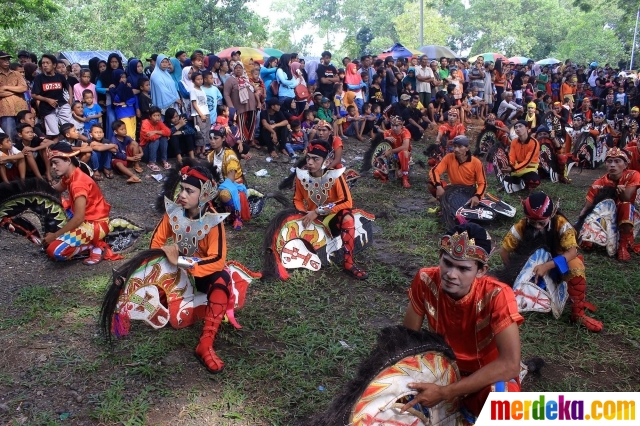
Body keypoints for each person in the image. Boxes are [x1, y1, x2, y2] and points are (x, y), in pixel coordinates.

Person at [402, 223, 523, 419]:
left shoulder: (497, 294)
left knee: (504, 400)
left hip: (483, 379)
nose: (451, 274)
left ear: (481, 271)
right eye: (447, 263)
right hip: (440, 372)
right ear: (440, 257)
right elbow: (406, 341)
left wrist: (444, 393)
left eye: (463, 268)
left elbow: (510, 365)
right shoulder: (425, 280)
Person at [150, 164, 232, 373]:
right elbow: (155, 245)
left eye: (189, 190)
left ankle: (205, 343)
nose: (182, 194)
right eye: (182, 188)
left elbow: (217, 260)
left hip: (199, 272)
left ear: (203, 194)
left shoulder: (213, 221)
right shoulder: (173, 213)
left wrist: (182, 262)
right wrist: (170, 258)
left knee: (222, 279)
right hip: (174, 270)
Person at [500, 192, 602, 332]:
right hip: (530, 264)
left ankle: (577, 313)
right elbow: (504, 251)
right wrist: (513, 273)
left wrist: (547, 265)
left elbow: (572, 252)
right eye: (532, 222)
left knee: (576, 266)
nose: (537, 226)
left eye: (541, 222)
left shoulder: (561, 224)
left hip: (557, 263)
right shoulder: (522, 225)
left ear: (552, 213)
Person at [293, 139, 367, 279]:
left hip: (331, 217)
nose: (309, 162)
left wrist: (317, 211)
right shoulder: (301, 176)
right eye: (308, 158)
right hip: (311, 218)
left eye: (315, 159)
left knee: (347, 217)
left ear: (326, 161)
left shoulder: (335, 176)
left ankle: (349, 263)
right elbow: (297, 199)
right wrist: (303, 213)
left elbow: (346, 201)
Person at [43, 142, 120, 265]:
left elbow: (79, 218)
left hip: (94, 224)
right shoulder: (69, 175)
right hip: (83, 218)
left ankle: (93, 247)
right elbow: (55, 189)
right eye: (52, 163)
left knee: (55, 251)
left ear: (68, 160)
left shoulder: (78, 183)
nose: (53, 167)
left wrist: (55, 236)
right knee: (57, 204)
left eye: (56, 163)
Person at [577, 147, 640, 261]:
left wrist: (620, 191)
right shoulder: (598, 184)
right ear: (605, 164)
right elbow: (587, 208)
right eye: (609, 161)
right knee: (586, 242)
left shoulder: (633, 175)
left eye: (617, 161)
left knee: (626, 205)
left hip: (627, 217)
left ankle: (623, 246)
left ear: (626, 164)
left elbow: (627, 198)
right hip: (606, 219)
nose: (612, 165)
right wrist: (579, 225)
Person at [207, 125, 249, 230]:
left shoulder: (230, 155)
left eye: (216, 138)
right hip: (217, 184)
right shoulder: (210, 156)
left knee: (224, 194)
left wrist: (215, 192)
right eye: (210, 138)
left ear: (224, 138)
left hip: (233, 185)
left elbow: (230, 180)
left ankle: (236, 217)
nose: (212, 141)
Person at [428, 135, 486, 207]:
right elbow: (434, 171)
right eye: (454, 146)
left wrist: (477, 196)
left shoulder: (476, 162)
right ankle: (443, 203)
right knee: (431, 184)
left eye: (460, 147)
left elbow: (482, 183)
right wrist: (438, 186)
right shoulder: (449, 157)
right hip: (453, 187)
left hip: (469, 190)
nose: (456, 149)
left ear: (467, 148)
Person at [31, 54, 73, 139]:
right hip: (47, 108)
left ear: (54, 65)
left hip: (62, 104)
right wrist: (47, 100)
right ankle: (57, 148)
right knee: (54, 132)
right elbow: (33, 94)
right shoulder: (39, 78)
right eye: (43, 63)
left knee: (69, 128)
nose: (45, 65)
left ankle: (71, 146)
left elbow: (68, 86)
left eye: (47, 63)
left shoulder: (60, 76)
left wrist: (70, 98)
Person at [224, 63, 258, 149]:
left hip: (251, 106)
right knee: (240, 125)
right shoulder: (230, 80)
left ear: (243, 69)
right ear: (233, 69)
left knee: (251, 123)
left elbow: (254, 90)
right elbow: (226, 94)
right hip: (239, 107)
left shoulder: (246, 79)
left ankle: (251, 140)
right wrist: (231, 107)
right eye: (236, 68)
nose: (238, 69)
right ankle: (242, 143)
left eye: (240, 68)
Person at [374, 115, 412, 188]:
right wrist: (386, 140)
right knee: (376, 171)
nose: (394, 128)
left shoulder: (405, 132)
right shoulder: (387, 133)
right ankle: (387, 174)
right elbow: (385, 148)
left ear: (402, 125)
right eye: (392, 125)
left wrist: (391, 151)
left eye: (397, 125)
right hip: (392, 155)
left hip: (403, 155)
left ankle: (405, 178)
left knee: (403, 153)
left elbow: (405, 147)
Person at [502, 120, 540, 191]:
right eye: (516, 127)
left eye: (520, 126)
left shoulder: (534, 143)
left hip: (529, 167)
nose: (517, 129)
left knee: (535, 181)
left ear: (527, 128)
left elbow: (527, 161)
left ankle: (523, 182)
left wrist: (513, 169)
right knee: (506, 179)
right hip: (517, 166)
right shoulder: (514, 142)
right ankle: (519, 181)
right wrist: (509, 165)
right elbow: (512, 156)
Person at [140, 106, 171, 171]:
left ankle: (164, 161)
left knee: (164, 138)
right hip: (146, 152)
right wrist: (161, 134)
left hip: (157, 152)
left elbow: (168, 132)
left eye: (158, 115)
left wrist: (155, 132)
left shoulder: (159, 123)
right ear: (150, 117)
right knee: (156, 139)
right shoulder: (145, 123)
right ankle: (151, 162)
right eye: (154, 115)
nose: (157, 117)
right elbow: (150, 137)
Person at [110, 69, 138, 139]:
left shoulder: (128, 88)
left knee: (133, 135)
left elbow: (133, 99)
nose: (124, 79)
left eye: (125, 77)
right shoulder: (113, 89)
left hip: (132, 113)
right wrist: (121, 87)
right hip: (122, 114)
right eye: (121, 77)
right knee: (128, 135)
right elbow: (116, 100)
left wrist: (125, 102)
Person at [189, 72, 210, 159]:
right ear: (193, 81)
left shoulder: (202, 90)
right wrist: (201, 114)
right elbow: (194, 104)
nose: (200, 81)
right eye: (198, 79)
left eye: (201, 79)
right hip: (198, 114)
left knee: (206, 131)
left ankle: (203, 150)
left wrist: (205, 113)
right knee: (200, 133)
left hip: (206, 113)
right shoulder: (193, 90)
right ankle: (198, 151)